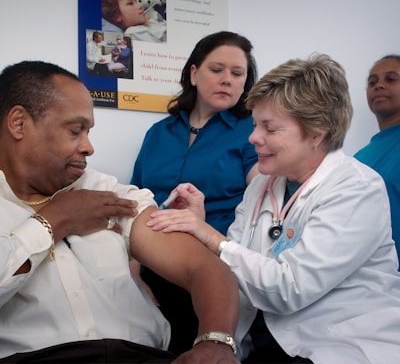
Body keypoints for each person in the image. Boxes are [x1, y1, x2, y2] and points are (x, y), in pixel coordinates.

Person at [146, 53, 400, 363]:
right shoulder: (262, 186)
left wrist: (210, 235)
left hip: (337, 342)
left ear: (317, 134)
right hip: (263, 338)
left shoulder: (357, 188)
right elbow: (234, 269)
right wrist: (218, 338)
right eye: (255, 125)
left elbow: (289, 288)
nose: (253, 137)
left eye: (270, 128)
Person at [0, 60, 240, 364]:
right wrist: (55, 219)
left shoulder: (109, 194)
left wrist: (215, 340)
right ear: (19, 123)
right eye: (75, 130)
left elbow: (204, 268)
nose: (89, 147)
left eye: (88, 131)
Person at [130, 31, 259, 355]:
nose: (227, 80)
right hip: (153, 261)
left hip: (217, 266)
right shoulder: (159, 132)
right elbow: (134, 200)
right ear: (193, 73)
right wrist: (132, 267)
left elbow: (264, 198)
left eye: (237, 73)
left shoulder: (254, 132)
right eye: (217, 69)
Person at [354, 54, 400, 266]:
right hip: (372, 282)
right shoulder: (358, 159)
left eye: (391, 79)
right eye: (373, 82)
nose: (379, 85)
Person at [102, 0, 166, 43]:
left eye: (136, 2)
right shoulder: (134, 33)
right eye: (130, 3)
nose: (140, 6)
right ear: (116, 17)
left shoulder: (144, 26)